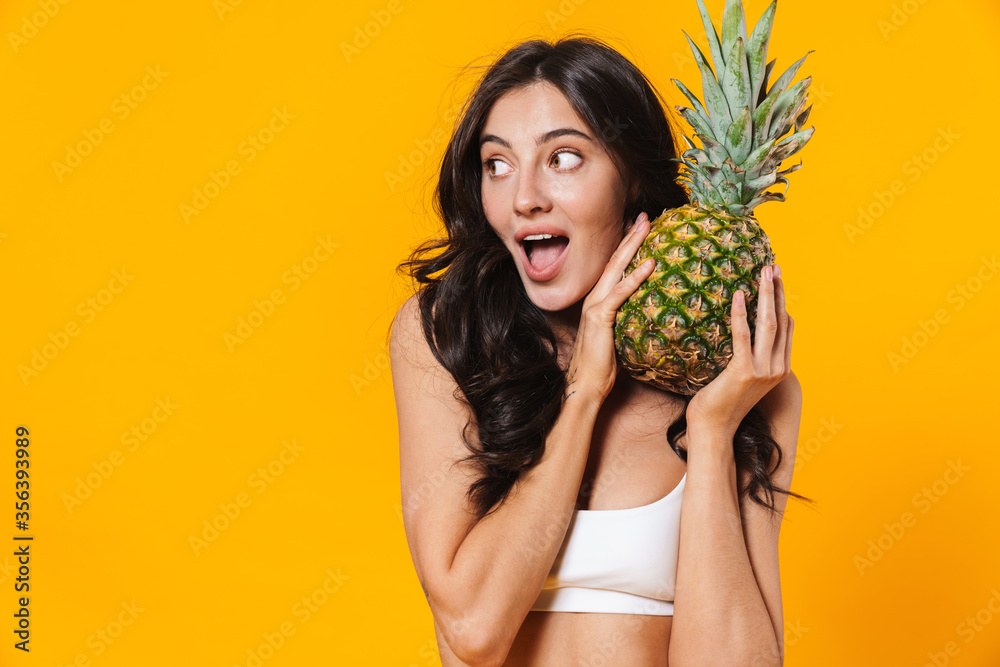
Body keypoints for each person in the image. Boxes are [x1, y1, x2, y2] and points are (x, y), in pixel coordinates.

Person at [390, 35, 806, 666]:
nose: (524, 196)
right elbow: (474, 628)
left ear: (631, 178)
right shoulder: (450, 337)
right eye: (497, 164)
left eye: (563, 158)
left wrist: (713, 431)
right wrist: (585, 393)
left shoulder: (742, 377)